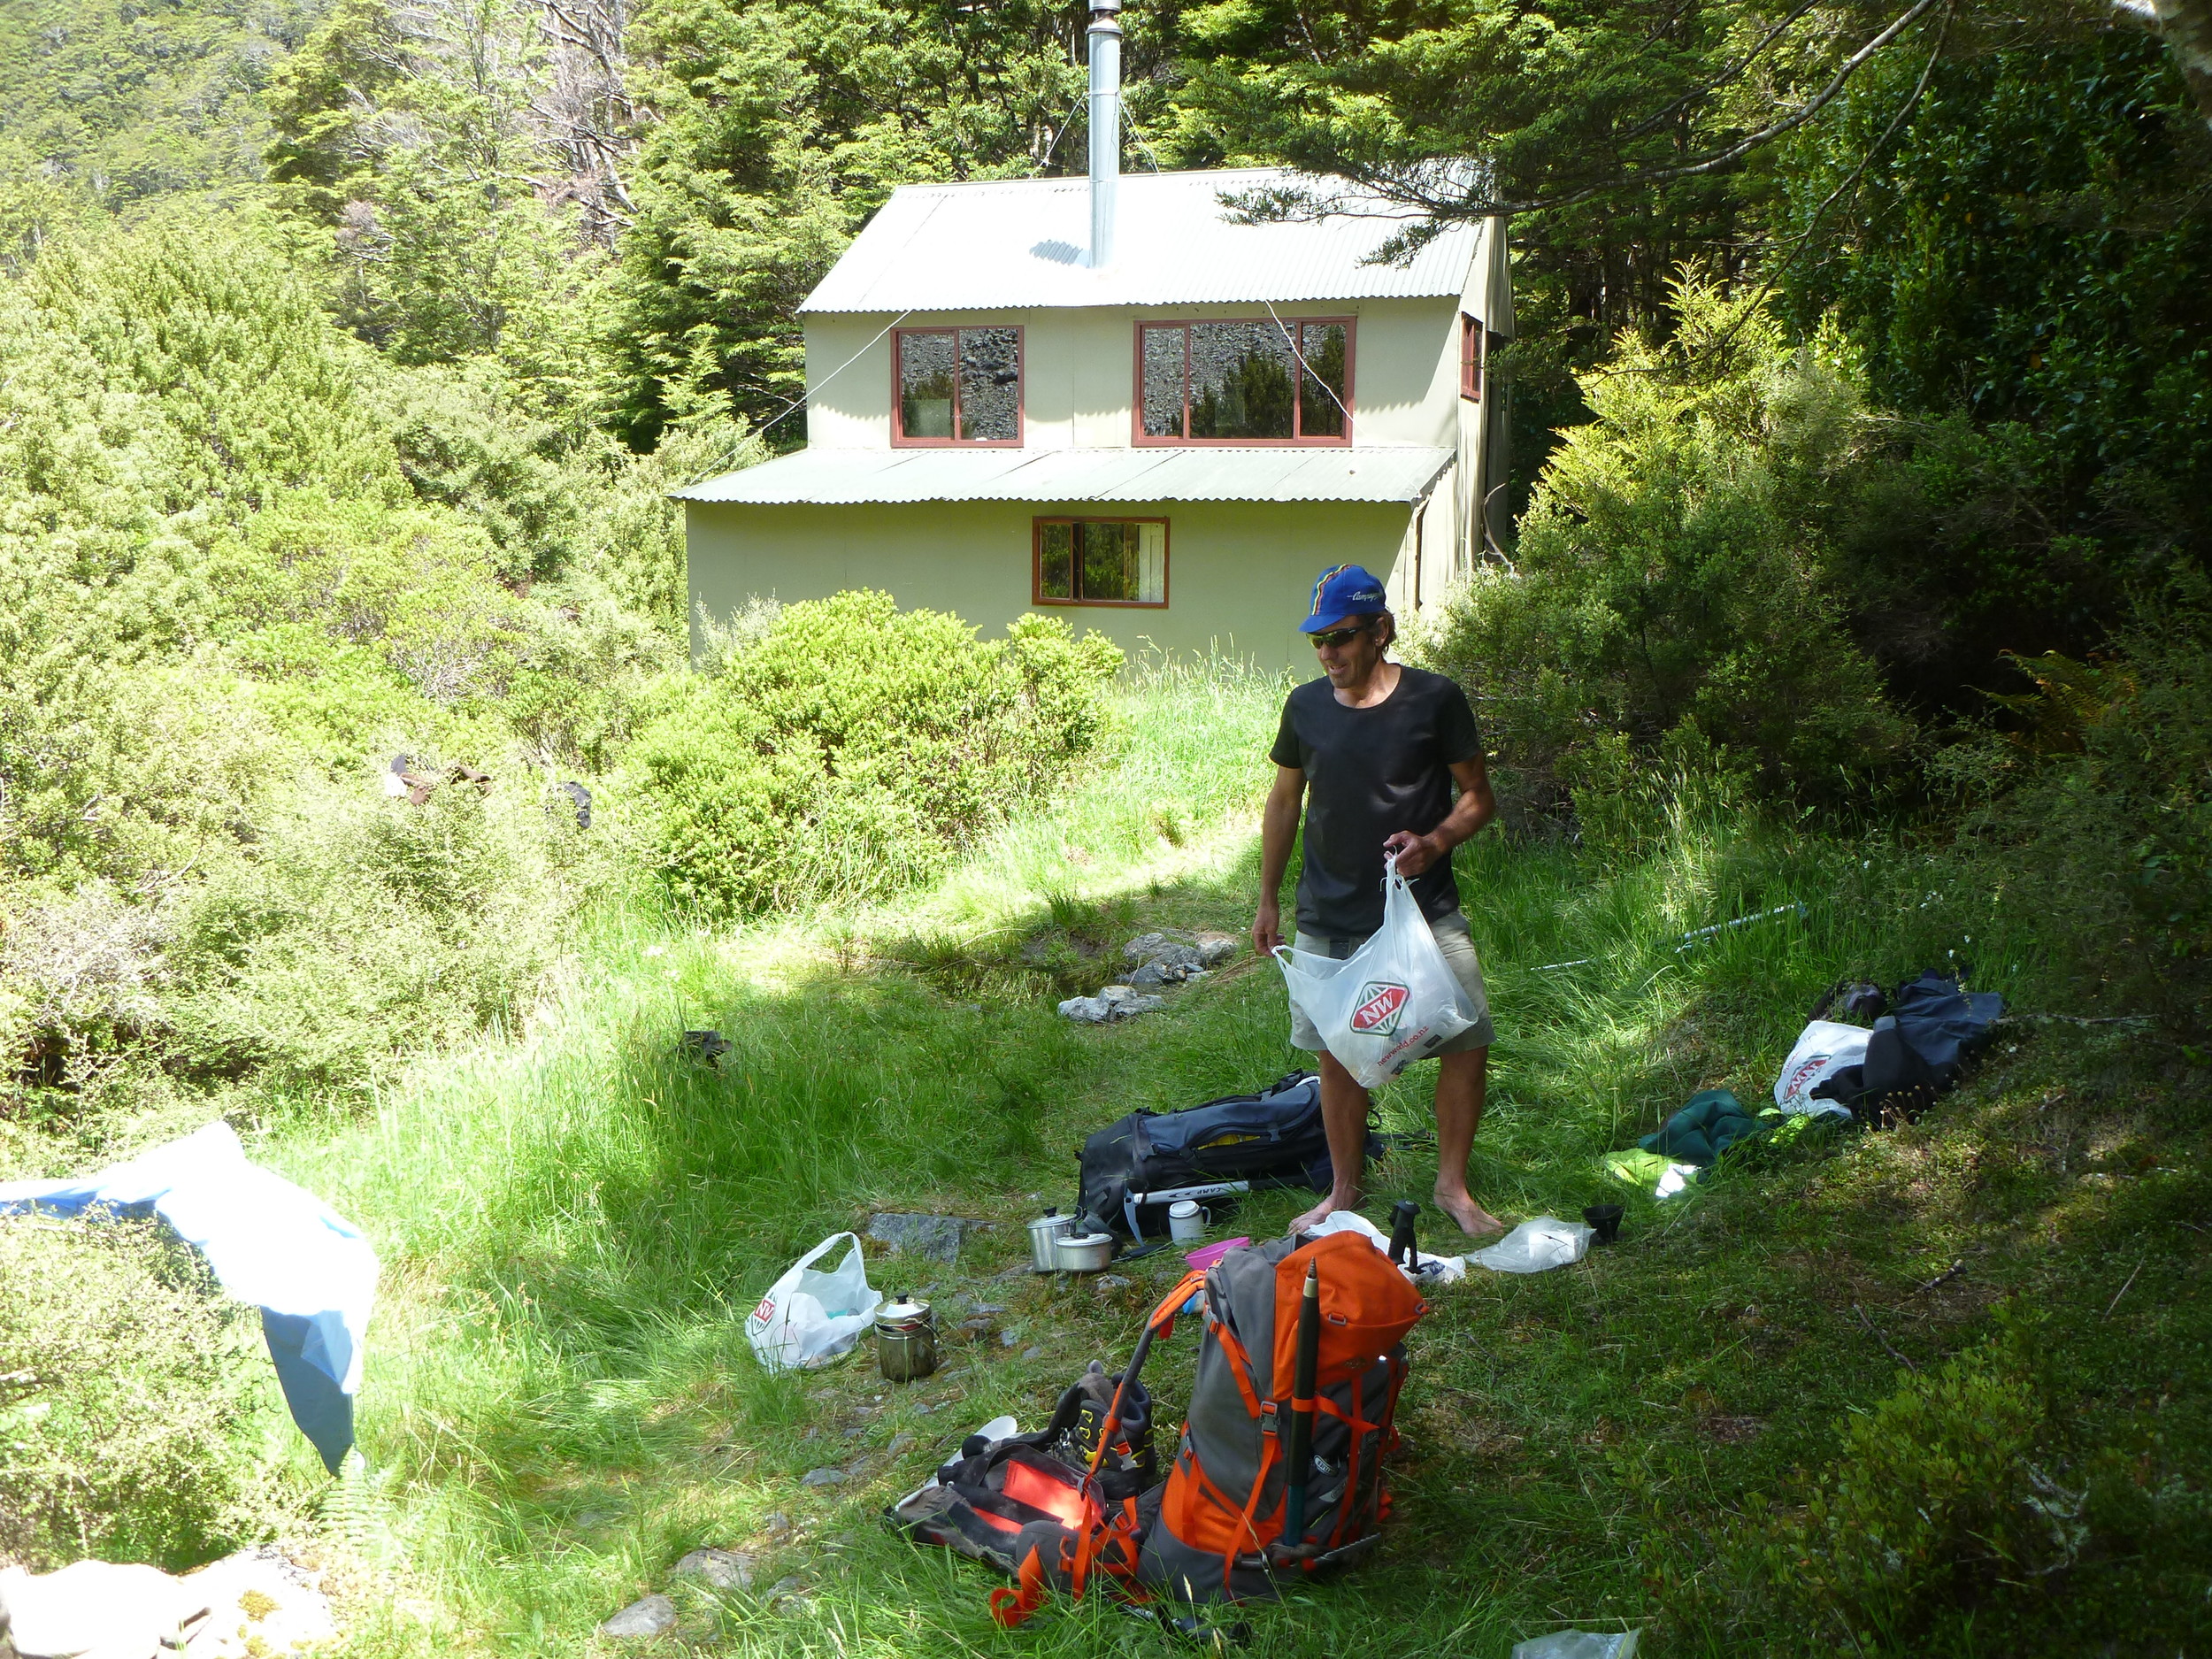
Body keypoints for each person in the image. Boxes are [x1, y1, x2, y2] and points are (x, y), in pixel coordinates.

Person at [1251, 564, 1504, 1239]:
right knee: (1337, 1053)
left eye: (1341, 636)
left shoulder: (1434, 700)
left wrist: (1436, 840)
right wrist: (1268, 898)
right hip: (1328, 912)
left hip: (1425, 910)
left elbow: (1478, 796)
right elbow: (1284, 800)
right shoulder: (1304, 707)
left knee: (1468, 1038)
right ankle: (1343, 1191)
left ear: (1381, 630)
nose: (1328, 653)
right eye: (1317, 641)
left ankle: (1453, 1186)